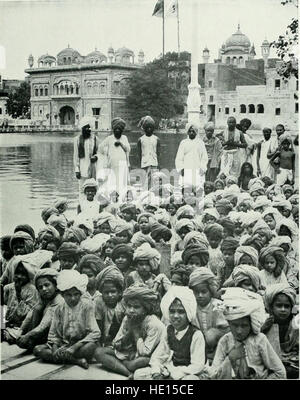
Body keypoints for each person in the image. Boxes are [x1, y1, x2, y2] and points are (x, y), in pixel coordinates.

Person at [210, 287, 286, 379]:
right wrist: (230, 358)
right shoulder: (225, 341)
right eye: (235, 325)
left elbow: (280, 372)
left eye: (244, 326)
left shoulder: (259, 340)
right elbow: (213, 375)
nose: (239, 331)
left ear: (251, 324)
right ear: (229, 323)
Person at [134, 286, 208, 380]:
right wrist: (156, 372)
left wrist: (173, 376)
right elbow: (158, 356)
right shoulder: (169, 330)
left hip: (189, 373)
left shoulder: (196, 334)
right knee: (139, 374)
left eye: (181, 312)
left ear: (188, 313)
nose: (176, 316)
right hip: (171, 369)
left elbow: (197, 366)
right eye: (172, 311)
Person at [94, 284, 165, 377]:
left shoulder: (154, 324)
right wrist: (128, 334)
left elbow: (145, 352)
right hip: (128, 354)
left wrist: (136, 333)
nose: (131, 310)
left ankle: (121, 365)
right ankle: (128, 372)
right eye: (129, 306)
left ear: (145, 309)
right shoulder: (127, 319)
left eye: (136, 307)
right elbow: (116, 343)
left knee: (138, 362)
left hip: (146, 356)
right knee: (99, 352)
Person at [33, 270, 100, 369]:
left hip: (81, 345)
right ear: (62, 295)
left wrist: (75, 347)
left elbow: (95, 332)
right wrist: (55, 349)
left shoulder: (87, 307)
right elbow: (53, 334)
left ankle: (66, 358)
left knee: (91, 347)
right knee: (37, 350)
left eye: (76, 294)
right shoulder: (59, 309)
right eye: (69, 295)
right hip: (64, 344)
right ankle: (76, 361)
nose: (73, 298)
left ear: (80, 293)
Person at [16, 268, 64, 351]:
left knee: (37, 349)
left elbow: (44, 325)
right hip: (45, 331)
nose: (44, 289)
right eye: (40, 287)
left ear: (56, 286)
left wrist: (28, 335)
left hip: (58, 336)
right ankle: (34, 341)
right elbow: (31, 312)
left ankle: (37, 342)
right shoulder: (44, 298)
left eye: (47, 285)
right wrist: (20, 330)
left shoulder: (59, 300)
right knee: (37, 309)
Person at [189, 269, 229, 362]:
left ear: (210, 291)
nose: (200, 295)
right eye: (196, 292)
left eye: (204, 292)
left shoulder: (218, 305)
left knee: (211, 335)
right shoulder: (191, 306)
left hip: (217, 344)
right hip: (198, 344)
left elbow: (225, 330)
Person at [262, 284, 298, 379]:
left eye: (287, 306)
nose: (283, 310)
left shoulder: (295, 323)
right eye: (279, 305)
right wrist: (263, 329)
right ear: (271, 307)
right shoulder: (265, 321)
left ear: (291, 308)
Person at [1, 260, 39, 343]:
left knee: (15, 336)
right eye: (17, 273)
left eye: (23, 274)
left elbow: (27, 313)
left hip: (21, 325)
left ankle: (5, 334)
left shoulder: (32, 290)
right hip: (8, 323)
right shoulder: (8, 288)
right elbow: (3, 306)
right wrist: (3, 323)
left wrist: (18, 294)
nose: (19, 276)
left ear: (28, 276)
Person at [98, 117, 131, 201]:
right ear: (113, 129)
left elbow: (128, 149)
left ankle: (122, 200)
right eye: (115, 129)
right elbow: (100, 148)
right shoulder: (109, 138)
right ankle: (113, 200)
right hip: (112, 165)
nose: (117, 131)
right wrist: (106, 155)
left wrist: (120, 144)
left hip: (123, 165)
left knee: (122, 183)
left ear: (122, 130)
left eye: (119, 129)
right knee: (113, 183)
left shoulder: (124, 138)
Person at [95, 265, 126, 346]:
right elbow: (98, 325)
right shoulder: (99, 301)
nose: (110, 295)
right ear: (101, 292)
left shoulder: (124, 302)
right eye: (106, 292)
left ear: (119, 292)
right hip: (104, 338)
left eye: (113, 291)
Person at [175, 122, 208, 190]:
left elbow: (204, 158)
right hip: (186, 169)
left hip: (198, 169)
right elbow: (179, 158)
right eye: (190, 131)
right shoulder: (183, 143)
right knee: (185, 188)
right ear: (187, 132)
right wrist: (181, 168)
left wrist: (203, 168)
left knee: (198, 188)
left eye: (193, 131)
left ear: (196, 132)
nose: (191, 133)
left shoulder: (200, 143)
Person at [74, 117, 99, 198]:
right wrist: (77, 170)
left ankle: (93, 206)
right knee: (82, 189)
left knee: (93, 188)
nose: (88, 129)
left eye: (89, 127)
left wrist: (95, 157)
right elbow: (76, 156)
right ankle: (82, 207)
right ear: (82, 129)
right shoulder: (77, 139)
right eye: (86, 127)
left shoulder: (95, 139)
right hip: (82, 168)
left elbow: (99, 153)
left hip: (93, 168)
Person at [137, 116, 161, 190]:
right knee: (145, 181)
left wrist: (158, 163)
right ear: (144, 128)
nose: (149, 129)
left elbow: (159, 153)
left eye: (151, 128)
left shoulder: (156, 139)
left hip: (154, 162)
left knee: (154, 180)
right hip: (144, 163)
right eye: (147, 128)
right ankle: (145, 193)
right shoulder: (141, 140)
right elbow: (139, 154)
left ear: (153, 128)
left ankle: (153, 193)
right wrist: (141, 164)